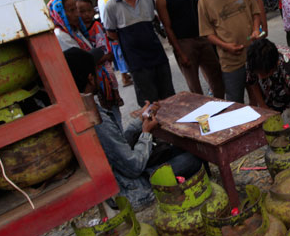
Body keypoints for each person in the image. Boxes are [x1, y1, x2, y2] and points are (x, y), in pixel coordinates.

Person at [63, 48, 201, 209]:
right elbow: (134, 166)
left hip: (122, 176)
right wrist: (146, 133)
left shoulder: (77, 111)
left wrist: (141, 119)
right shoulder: (96, 119)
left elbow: (118, 144)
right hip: (132, 189)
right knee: (192, 158)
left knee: (179, 149)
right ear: (91, 79)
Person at [148, 0, 225, 98]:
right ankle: (204, 115)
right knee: (194, 86)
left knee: (216, 75)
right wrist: (180, 53)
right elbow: (167, 27)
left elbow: (196, 10)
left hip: (201, 36)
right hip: (184, 43)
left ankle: (220, 105)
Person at [103, 0, 175, 106]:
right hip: (137, 64)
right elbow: (111, 34)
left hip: (158, 58)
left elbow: (152, 24)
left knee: (169, 100)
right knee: (149, 105)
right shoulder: (110, 7)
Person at [197, 0, 264, 102]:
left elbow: (255, 12)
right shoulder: (204, 0)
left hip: (253, 55)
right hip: (230, 61)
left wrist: (255, 30)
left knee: (258, 97)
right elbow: (207, 33)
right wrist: (226, 46)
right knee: (234, 102)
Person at [49, 0, 123, 124]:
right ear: (59, 13)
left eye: (76, 9)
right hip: (88, 89)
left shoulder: (75, 31)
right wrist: (103, 57)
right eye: (71, 10)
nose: (77, 14)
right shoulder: (61, 36)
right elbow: (82, 62)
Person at [245, 38, 290, 112]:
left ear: (276, 64)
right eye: (257, 73)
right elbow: (253, 82)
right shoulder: (253, 61)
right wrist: (262, 105)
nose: (259, 77)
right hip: (270, 98)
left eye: (264, 73)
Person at [98, 0, 132, 87]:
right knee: (120, 53)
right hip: (114, 30)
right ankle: (124, 77)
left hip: (112, 30)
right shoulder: (107, 0)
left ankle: (125, 76)